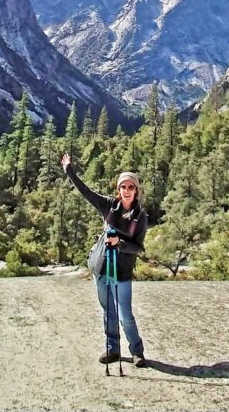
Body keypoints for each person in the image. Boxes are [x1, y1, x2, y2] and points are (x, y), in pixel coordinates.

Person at [61, 152, 148, 367]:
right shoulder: (109, 206)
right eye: (123, 187)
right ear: (118, 190)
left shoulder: (140, 217)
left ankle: (137, 351)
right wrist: (69, 171)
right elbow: (87, 192)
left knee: (125, 314)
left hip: (123, 270)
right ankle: (113, 349)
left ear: (136, 191)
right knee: (107, 309)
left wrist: (120, 242)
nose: (126, 191)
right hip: (101, 267)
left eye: (131, 187)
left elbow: (139, 248)